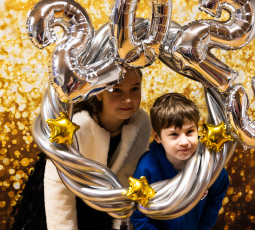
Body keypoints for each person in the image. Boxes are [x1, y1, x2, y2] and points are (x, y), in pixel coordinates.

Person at [43, 67, 151, 230]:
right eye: (116, 90)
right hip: (69, 202)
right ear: (99, 92)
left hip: (108, 208)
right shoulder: (76, 126)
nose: (128, 99)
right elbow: (58, 187)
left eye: (135, 89)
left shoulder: (141, 122)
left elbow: (131, 174)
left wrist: (122, 221)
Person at [130, 92, 229, 230]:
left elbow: (218, 192)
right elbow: (137, 212)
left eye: (189, 132)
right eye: (174, 134)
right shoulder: (147, 167)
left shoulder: (208, 163)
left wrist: (202, 227)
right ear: (157, 137)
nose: (184, 142)